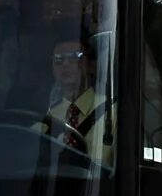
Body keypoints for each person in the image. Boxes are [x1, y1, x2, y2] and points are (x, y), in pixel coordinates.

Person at [39, 29, 113, 163]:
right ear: (52, 69)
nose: (65, 64)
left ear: (91, 66)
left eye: (74, 57)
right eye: (58, 60)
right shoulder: (48, 118)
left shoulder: (111, 113)